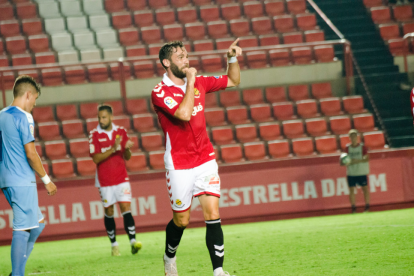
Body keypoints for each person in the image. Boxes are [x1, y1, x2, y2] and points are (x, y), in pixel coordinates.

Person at [151, 39, 242, 276]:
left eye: (186, 55)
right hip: (179, 165)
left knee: (213, 214)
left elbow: (233, 80)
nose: (187, 60)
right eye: (180, 57)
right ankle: (169, 255)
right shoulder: (160, 92)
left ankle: (219, 271)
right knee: (181, 221)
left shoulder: (200, 82)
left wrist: (231, 58)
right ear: (166, 63)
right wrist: (191, 81)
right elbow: (183, 113)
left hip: (205, 159)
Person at [0, 75, 57, 276]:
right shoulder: (23, 117)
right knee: (22, 229)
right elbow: (31, 153)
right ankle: (17, 274)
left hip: (6, 180)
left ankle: (17, 272)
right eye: (35, 99)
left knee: (38, 224)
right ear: (28, 95)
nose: (34, 103)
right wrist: (47, 180)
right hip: (22, 180)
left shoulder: (1, 115)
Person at [89, 104, 142, 256]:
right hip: (104, 180)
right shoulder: (94, 135)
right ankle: (114, 245)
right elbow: (96, 158)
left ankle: (133, 242)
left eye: (104, 117)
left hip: (121, 177)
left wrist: (126, 149)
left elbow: (127, 157)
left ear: (111, 117)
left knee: (126, 208)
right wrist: (113, 148)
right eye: (99, 117)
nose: (101, 120)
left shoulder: (121, 132)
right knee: (109, 211)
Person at [341, 129, 370, 213]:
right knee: (351, 189)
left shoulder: (362, 147)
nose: (353, 138)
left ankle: (367, 206)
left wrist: (355, 160)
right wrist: (349, 161)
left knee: (365, 188)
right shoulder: (347, 148)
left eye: (354, 136)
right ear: (349, 138)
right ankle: (353, 208)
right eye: (351, 136)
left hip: (361, 171)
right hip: (351, 172)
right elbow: (344, 160)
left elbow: (367, 158)